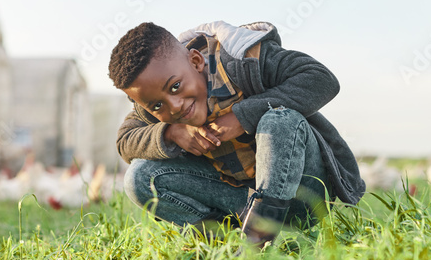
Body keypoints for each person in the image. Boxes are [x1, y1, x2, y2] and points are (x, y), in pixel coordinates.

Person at [109, 19, 365, 247]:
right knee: (139, 177)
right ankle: (223, 238)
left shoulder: (243, 59)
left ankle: (259, 239)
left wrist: (243, 117)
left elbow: (321, 78)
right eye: (156, 105)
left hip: (304, 195)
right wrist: (170, 133)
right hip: (239, 202)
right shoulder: (156, 103)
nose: (173, 106)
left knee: (279, 120)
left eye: (175, 86)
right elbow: (125, 140)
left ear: (196, 60)